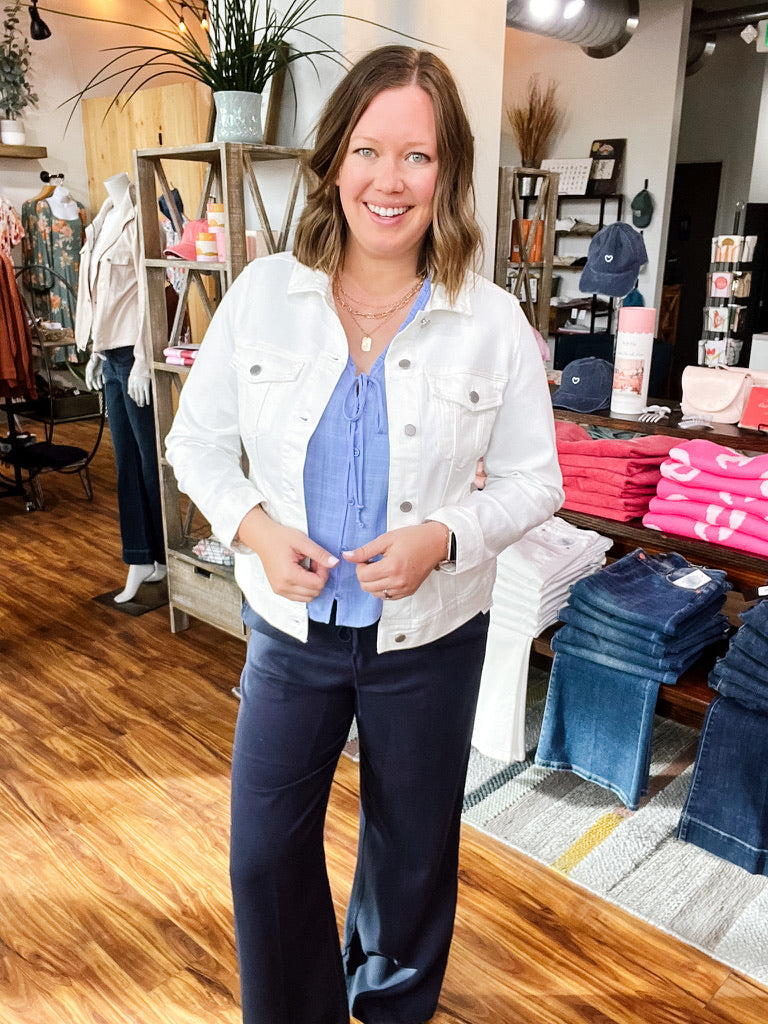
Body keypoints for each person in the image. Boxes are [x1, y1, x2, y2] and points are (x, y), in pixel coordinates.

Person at [165, 45, 563, 1024]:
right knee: (263, 857)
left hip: (431, 638)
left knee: (411, 855)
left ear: (447, 171)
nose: (391, 180)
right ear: (335, 159)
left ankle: (388, 1009)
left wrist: (445, 537)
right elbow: (196, 443)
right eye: (369, 151)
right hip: (290, 636)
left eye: (417, 156)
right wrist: (257, 531)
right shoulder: (264, 296)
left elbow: (536, 480)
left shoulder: (492, 321)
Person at [75, 172, 167, 603]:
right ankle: (143, 556)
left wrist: (145, 361)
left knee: (150, 461)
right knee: (125, 462)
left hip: (133, 356)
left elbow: (150, 293)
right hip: (110, 355)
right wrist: (95, 350)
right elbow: (98, 296)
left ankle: (163, 554)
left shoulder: (141, 219)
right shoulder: (102, 220)